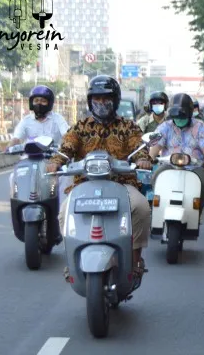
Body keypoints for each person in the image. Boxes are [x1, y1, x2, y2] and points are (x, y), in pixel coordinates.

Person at [46, 75, 152, 279]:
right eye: (97, 99)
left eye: (106, 99)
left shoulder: (128, 127)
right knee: (63, 214)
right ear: (90, 101)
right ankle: (72, 261)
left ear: (115, 101)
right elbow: (66, 147)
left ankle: (136, 257)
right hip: (85, 184)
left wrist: (143, 159)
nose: (101, 104)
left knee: (141, 207)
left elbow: (139, 148)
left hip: (121, 184)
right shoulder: (80, 127)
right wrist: (56, 161)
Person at [8, 85, 70, 209]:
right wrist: (11, 147)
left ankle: (61, 211)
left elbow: (68, 136)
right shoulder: (26, 121)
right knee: (12, 177)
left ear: (49, 103)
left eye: (43, 101)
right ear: (31, 102)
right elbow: (16, 138)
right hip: (29, 161)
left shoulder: (58, 119)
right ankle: (18, 214)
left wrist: (67, 145)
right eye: (36, 100)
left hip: (52, 161)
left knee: (65, 178)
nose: (39, 103)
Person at [149, 93, 204, 212]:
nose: (179, 119)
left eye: (182, 116)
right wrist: (148, 159)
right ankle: (159, 209)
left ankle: (197, 212)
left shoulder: (201, 127)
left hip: (194, 168)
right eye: (176, 116)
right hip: (168, 167)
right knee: (156, 177)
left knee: (203, 184)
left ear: (190, 113)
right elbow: (154, 150)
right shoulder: (164, 127)